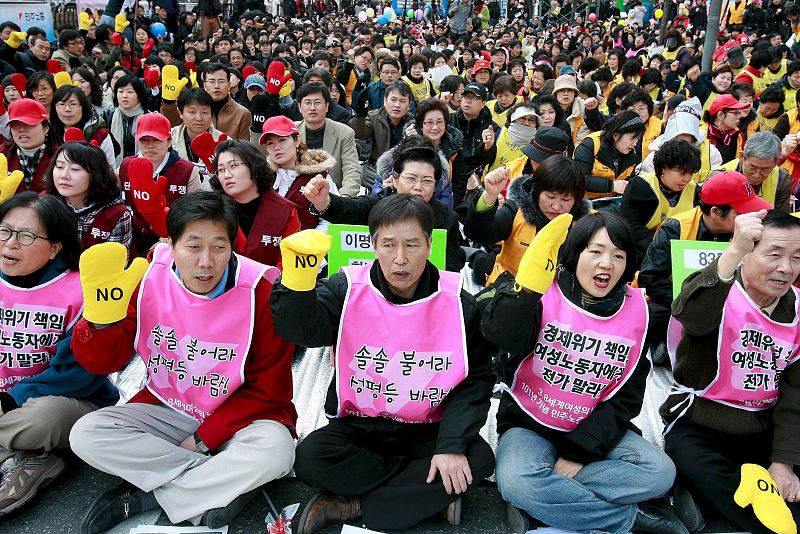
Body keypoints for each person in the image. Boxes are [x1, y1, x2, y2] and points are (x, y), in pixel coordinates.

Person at [69, 191, 298, 533]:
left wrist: (203, 439)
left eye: (219, 247)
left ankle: (149, 497)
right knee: (86, 435)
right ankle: (219, 484)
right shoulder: (147, 275)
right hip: (168, 406)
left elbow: (271, 390)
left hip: (242, 417)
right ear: (171, 244)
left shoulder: (262, 288)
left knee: (276, 452)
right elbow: (104, 362)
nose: (206, 261)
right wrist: (99, 321)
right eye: (193, 246)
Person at [270, 194, 495, 533]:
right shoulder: (347, 286)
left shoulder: (458, 302)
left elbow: (476, 379)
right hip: (361, 427)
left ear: (429, 244)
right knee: (309, 457)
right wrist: (296, 286)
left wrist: (449, 446)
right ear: (373, 244)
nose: (400, 259)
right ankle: (425, 492)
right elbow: (302, 331)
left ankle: (352, 504)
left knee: (478, 458)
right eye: (388, 245)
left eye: (412, 245)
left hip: (427, 429)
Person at [482, 211, 684, 534]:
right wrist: (525, 292)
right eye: (596, 251)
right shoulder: (543, 291)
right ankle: (632, 518)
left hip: (595, 430)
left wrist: (578, 454)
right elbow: (500, 334)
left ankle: (548, 501)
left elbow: (627, 399)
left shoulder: (637, 311)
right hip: (528, 424)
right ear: (575, 254)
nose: (607, 263)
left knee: (659, 472)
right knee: (517, 479)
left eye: (618, 256)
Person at [662, 209, 800, 534]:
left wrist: (784, 462)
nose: (786, 268)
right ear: (747, 252)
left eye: (797, 257)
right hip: (700, 425)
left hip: (762, 429)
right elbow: (690, 315)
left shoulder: (796, 309)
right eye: (774, 255)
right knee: (696, 467)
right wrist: (733, 250)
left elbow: (796, 394)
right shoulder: (720, 289)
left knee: (786, 477)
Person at [0, 192, 117, 516]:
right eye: (5, 231)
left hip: (63, 403)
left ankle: (23, 450)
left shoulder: (79, 291)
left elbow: (79, 372)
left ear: (55, 247)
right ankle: (28, 458)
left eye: (26, 236)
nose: (10, 244)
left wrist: (11, 400)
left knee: (46, 418)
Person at [637, 171, 772, 365]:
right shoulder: (676, 228)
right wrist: (688, 302)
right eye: (742, 213)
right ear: (716, 212)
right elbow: (649, 279)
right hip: (675, 303)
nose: (750, 217)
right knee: (653, 314)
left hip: (732, 306)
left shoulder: (753, 233)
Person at [303, 141, 466, 272]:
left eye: (427, 181)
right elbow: (351, 209)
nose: (418, 187)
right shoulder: (379, 202)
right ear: (395, 179)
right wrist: (322, 201)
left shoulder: (446, 219)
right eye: (411, 178)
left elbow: (450, 271)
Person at [465, 155, 590, 286]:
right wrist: (489, 196)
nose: (556, 206)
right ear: (536, 191)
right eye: (550, 196)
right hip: (508, 288)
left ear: (577, 200)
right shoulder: (517, 211)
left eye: (566, 200)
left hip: (554, 296)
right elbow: (477, 234)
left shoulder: (586, 225)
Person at [118, 113, 206, 254]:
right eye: (144, 140)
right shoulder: (125, 166)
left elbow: (194, 213)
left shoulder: (188, 171)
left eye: (157, 140)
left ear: (170, 141)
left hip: (172, 242)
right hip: (133, 239)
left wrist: (166, 239)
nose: (150, 146)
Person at [212, 138, 301, 269]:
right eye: (221, 170)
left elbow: (290, 265)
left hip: (272, 286)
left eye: (233, 166)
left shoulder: (284, 211)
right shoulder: (215, 209)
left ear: (253, 165)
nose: (226, 175)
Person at [619, 140, 702, 267]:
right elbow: (629, 225)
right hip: (642, 252)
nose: (686, 179)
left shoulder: (695, 190)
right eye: (681, 173)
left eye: (690, 173)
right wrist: (663, 247)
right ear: (663, 167)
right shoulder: (641, 186)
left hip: (681, 254)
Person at [44, 141, 133, 254]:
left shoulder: (117, 215)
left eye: (75, 169)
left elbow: (115, 264)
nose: (64, 175)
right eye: (60, 166)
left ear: (95, 175)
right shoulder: (45, 203)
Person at [260, 115, 337, 232]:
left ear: (297, 141)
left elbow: (331, 219)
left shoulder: (319, 176)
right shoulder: (263, 177)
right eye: (270, 143)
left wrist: (309, 243)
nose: (276, 147)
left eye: (282, 140)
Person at [295, 83, 362, 198]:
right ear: (300, 107)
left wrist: (345, 198)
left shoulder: (344, 133)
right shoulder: (291, 132)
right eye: (307, 103)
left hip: (332, 195)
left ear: (326, 106)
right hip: (296, 195)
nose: (312, 108)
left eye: (317, 102)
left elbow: (352, 169)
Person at [639, 97, 723, 184]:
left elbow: (716, 180)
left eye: (685, 135)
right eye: (675, 135)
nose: (680, 139)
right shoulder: (655, 156)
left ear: (693, 137)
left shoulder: (710, 153)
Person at [350, 81, 414, 188]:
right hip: (377, 168)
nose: (397, 105)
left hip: (404, 169)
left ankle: (389, 186)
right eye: (393, 100)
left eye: (402, 101)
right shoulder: (374, 116)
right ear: (385, 101)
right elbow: (360, 134)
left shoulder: (413, 122)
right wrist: (360, 116)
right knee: (358, 172)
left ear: (409, 104)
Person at [574, 110, 645, 204]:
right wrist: (612, 185)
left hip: (614, 201)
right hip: (584, 201)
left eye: (637, 139)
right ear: (616, 135)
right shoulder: (591, 145)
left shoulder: (635, 153)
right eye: (632, 138)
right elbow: (580, 179)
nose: (635, 143)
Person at [715, 131, 793, 212]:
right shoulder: (719, 177)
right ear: (742, 156)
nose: (756, 175)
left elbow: (782, 220)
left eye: (765, 170)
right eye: (752, 167)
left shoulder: (782, 180)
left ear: (777, 162)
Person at [0, 99, 59, 195]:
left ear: (45, 128)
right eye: (16, 125)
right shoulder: (2, 155)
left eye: (29, 124)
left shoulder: (61, 157)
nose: (22, 129)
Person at [49, 85, 116, 168]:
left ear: (83, 107)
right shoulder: (48, 133)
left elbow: (109, 169)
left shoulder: (100, 135)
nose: (67, 109)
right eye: (62, 104)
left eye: (73, 104)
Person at [200, 63, 252, 140]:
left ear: (229, 85)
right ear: (204, 85)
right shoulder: (196, 111)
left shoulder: (242, 113)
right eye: (212, 81)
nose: (216, 86)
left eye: (221, 81)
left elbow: (243, 148)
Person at [109, 74, 147, 164]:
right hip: (116, 168)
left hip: (140, 166)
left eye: (130, 92)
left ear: (139, 95)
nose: (124, 96)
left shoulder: (147, 117)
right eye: (121, 91)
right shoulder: (109, 115)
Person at [703, 94, 749, 165]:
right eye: (736, 113)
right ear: (720, 115)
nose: (739, 116)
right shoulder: (702, 133)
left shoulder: (738, 135)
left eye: (739, 113)